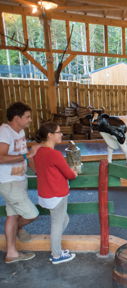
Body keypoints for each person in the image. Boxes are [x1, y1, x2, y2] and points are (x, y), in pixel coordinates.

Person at [0, 102, 40, 263]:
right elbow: (1, 157)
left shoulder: (20, 131)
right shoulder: (5, 132)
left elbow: (25, 154)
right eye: (27, 117)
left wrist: (37, 171)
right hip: (9, 182)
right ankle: (19, 229)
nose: (30, 120)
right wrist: (27, 156)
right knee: (32, 214)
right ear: (16, 118)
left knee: (12, 215)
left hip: (18, 180)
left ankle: (11, 253)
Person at [33, 122, 78, 264]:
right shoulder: (54, 154)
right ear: (50, 135)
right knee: (57, 225)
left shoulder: (39, 152)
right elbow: (69, 174)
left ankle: (56, 244)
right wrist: (75, 173)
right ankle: (56, 255)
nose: (61, 134)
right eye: (58, 132)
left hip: (46, 194)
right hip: (56, 195)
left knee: (64, 220)